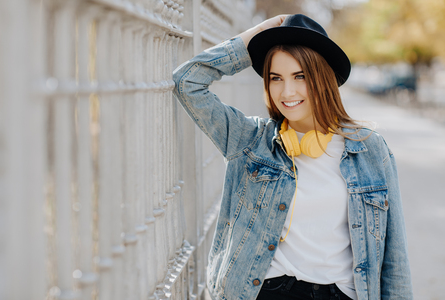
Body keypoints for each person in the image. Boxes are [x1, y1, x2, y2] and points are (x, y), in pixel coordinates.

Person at [173, 14, 413, 300]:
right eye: (276, 78)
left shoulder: (370, 150)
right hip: (265, 291)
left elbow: (394, 258)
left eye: (300, 76)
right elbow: (188, 82)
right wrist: (253, 37)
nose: (287, 92)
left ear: (323, 79)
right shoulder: (249, 140)